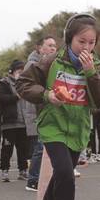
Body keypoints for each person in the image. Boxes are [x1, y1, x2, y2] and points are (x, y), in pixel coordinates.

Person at [16, 14, 100, 200]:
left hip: (78, 128)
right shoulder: (50, 61)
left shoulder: (97, 66)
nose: (86, 48)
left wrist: (90, 73)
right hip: (53, 125)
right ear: (69, 39)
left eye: (91, 43)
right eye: (81, 42)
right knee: (66, 173)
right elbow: (23, 84)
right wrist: (47, 95)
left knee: (62, 173)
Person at [24, 36, 58, 191]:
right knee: (40, 145)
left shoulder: (54, 64)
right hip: (38, 109)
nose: (53, 48)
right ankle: (33, 179)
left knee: (46, 146)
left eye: (55, 46)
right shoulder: (33, 64)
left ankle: (44, 177)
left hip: (50, 108)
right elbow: (28, 89)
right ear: (40, 48)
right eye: (49, 45)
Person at [0, 60, 29, 182]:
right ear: (12, 71)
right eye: (19, 71)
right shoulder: (3, 83)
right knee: (7, 148)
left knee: (23, 149)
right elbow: (0, 98)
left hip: (23, 121)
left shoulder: (25, 83)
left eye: (23, 71)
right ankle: (5, 171)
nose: (21, 74)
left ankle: (23, 171)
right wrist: (16, 96)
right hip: (9, 122)